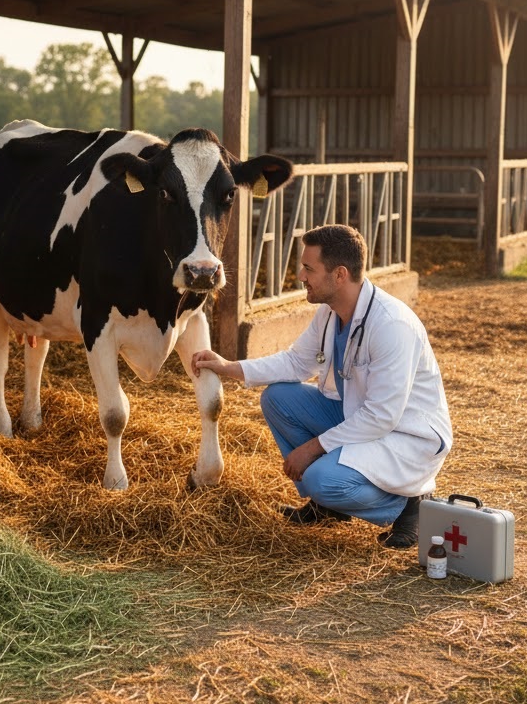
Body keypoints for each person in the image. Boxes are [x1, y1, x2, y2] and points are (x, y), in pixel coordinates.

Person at [192, 223, 452, 549]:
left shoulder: (391, 325)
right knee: (278, 398)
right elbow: (295, 363)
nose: (300, 276)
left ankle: (411, 504)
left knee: (320, 479)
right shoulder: (331, 313)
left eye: (308, 268)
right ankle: (328, 508)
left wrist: (314, 447)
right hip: (359, 417)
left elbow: (382, 416)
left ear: (339, 275)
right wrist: (230, 367)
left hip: (404, 435)